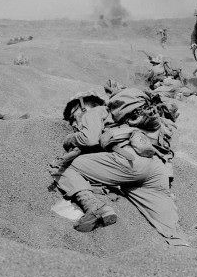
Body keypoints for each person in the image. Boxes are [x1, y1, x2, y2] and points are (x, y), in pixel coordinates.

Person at [51, 89, 189, 246]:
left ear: (82, 107)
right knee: (171, 231)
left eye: (72, 116)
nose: (74, 123)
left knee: (66, 169)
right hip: (156, 168)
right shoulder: (125, 120)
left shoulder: (95, 112)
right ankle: (183, 252)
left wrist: (71, 139)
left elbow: (89, 139)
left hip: (129, 162)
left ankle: (94, 206)